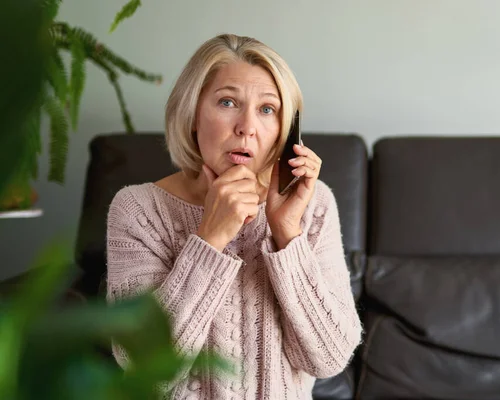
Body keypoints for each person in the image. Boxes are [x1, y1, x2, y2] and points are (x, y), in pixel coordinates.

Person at [106, 33, 362, 399]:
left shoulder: (313, 202)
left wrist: (287, 233)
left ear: (285, 129)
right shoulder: (139, 209)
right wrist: (210, 238)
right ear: (193, 114)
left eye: (267, 109)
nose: (247, 126)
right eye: (228, 102)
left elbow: (330, 358)